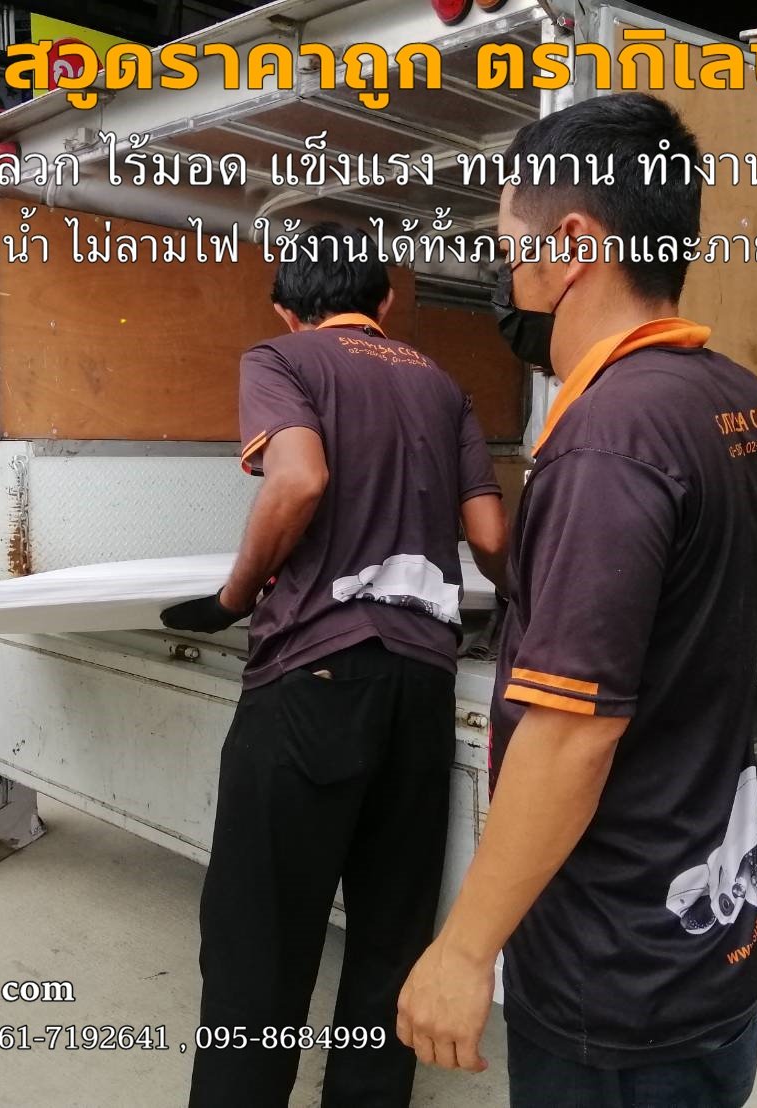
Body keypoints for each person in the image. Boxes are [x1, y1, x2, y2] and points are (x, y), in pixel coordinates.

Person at [396, 92, 757, 1108]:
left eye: (507, 249)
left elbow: (573, 732)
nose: (504, 277)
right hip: (713, 935)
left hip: (619, 977)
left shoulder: (611, 440)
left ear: (571, 246)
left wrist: (463, 949)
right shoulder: (727, 393)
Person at [161, 223, 509, 1107]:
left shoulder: (281, 359)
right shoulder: (443, 385)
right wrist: (530, 605)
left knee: (258, 940)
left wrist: (234, 597)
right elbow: (489, 535)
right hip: (420, 685)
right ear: (385, 300)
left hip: (311, 679)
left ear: (286, 308)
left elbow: (298, 480)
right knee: (391, 936)